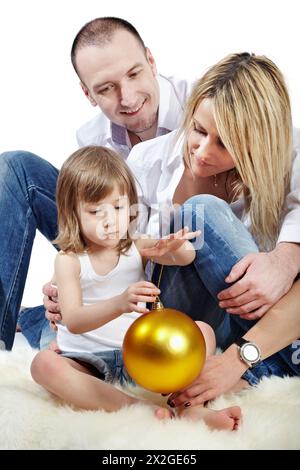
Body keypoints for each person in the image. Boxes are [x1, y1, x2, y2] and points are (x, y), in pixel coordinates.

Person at [0, 17, 190, 351]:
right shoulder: (91, 137)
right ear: (88, 94)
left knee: (61, 342)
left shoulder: (202, 107)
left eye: (134, 73)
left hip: (169, 269)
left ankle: (37, 323)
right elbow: (96, 231)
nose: (127, 98)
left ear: (151, 60)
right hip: (114, 253)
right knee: (15, 168)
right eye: (106, 88)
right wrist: (66, 281)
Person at [126, 52, 300, 406]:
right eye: (199, 130)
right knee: (199, 212)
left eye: (225, 143)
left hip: (261, 332)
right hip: (179, 323)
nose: (203, 152)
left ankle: (257, 367)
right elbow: (117, 250)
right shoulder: (146, 161)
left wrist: (288, 256)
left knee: (201, 213)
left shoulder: (290, 158)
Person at [30, 146, 241, 431]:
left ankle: (190, 406)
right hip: (87, 360)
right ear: (72, 213)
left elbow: (186, 258)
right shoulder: (69, 260)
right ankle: (135, 408)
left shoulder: (135, 245)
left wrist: (176, 249)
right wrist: (120, 302)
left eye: (118, 207)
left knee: (202, 331)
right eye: (95, 211)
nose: (110, 220)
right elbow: (75, 321)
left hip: (140, 355)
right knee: (43, 365)